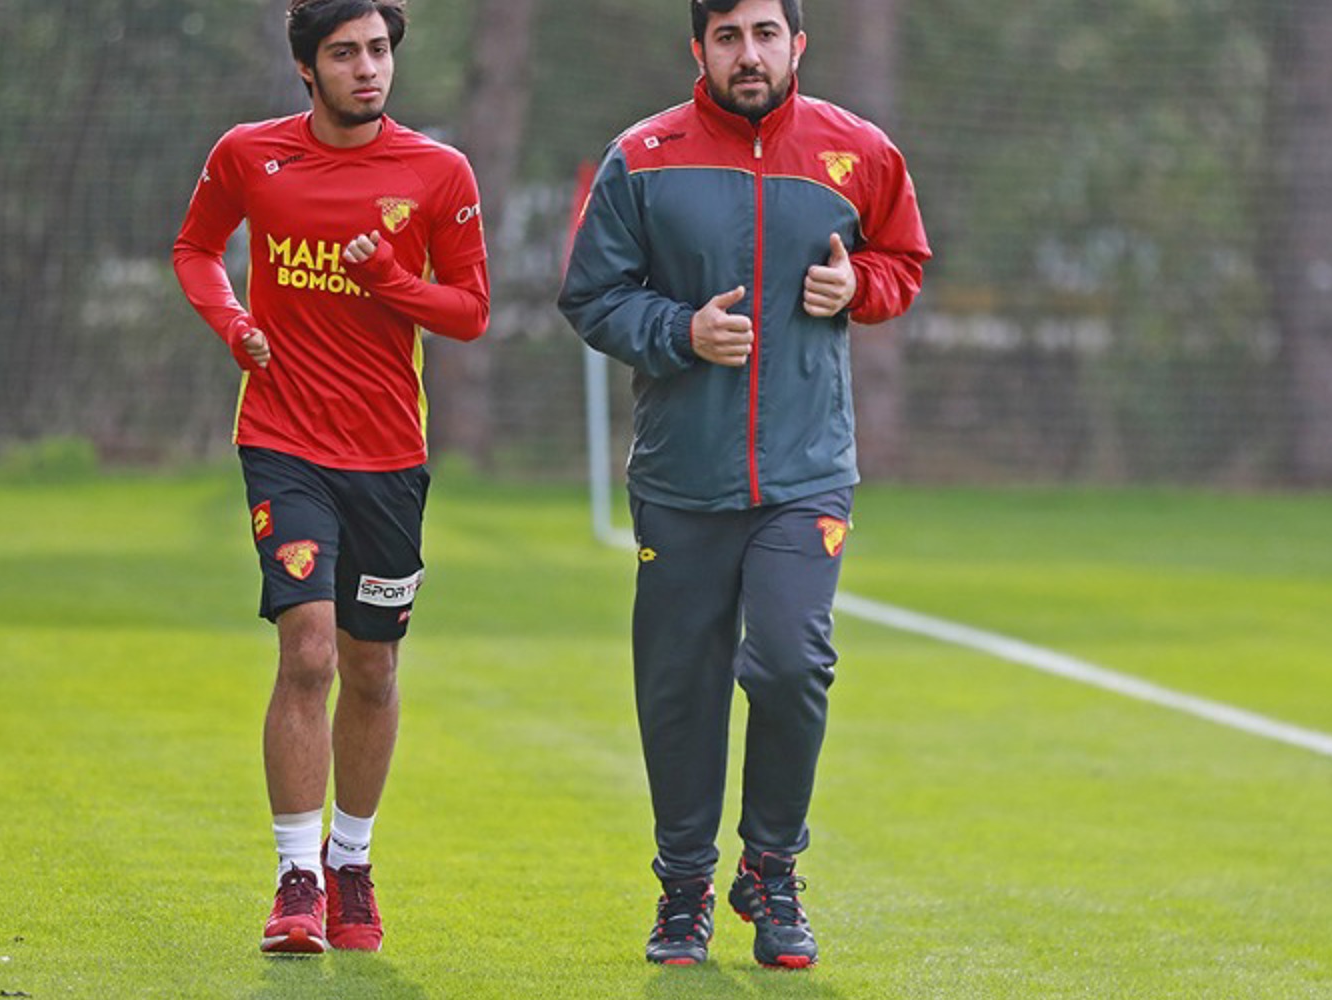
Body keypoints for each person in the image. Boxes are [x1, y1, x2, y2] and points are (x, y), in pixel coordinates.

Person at [558, 0, 929, 970]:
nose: (748, 54)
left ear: (797, 43)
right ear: (699, 48)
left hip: (806, 474)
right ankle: (684, 889)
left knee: (792, 662)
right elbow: (591, 295)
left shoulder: (859, 152)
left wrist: (858, 288)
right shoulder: (642, 157)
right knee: (680, 685)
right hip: (680, 476)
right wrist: (680, 332)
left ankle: (771, 870)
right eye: (728, 37)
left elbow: (901, 261)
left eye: (765, 33)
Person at [172, 0, 488, 955]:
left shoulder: (438, 171)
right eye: (345, 53)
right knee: (307, 652)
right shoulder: (248, 155)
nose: (367, 68)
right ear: (307, 68)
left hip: (389, 455)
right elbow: (196, 249)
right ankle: (296, 880)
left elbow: (469, 311)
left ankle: (352, 864)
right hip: (283, 439)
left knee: (371, 667)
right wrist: (233, 324)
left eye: (379, 50)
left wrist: (390, 279)